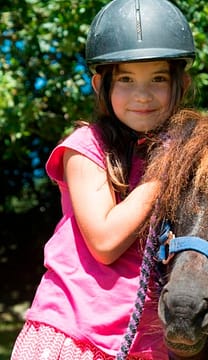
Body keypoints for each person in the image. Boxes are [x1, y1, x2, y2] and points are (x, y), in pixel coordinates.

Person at [11, 0, 195, 359]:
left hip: (150, 345)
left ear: (181, 83)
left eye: (158, 78)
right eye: (125, 79)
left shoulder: (185, 151)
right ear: (101, 84)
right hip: (75, 336)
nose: (142, 94)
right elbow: (105, 241)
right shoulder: (85, 149)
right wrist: (166, 172)